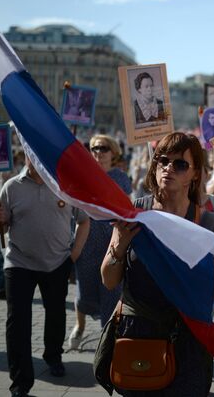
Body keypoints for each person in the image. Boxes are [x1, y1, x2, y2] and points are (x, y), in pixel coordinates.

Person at [100, 132, 214, 395]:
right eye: (162, 160)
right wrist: (120, 245)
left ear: (195, 174)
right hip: (138, 332)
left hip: (187, 337)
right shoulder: (134, 214)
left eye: (180, 164)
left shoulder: (208, 224)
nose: (168, 168)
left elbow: (211, 292)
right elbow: (109, 280)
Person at [0, 156, 90, 397]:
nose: (36, 156)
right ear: (25, 154)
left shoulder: (65, 185)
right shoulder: (11, 186)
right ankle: (20, 381)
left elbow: (84, 221)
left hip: (57, 262)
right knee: (17, 323)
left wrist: (74, 253)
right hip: (19, 262)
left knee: (56, 313)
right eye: (30, 151)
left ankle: (53, 356)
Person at [68, 135, 132, 350]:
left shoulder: (121, 177)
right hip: (87, 238)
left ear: (113, 152)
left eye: (103, 148)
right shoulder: (84, 175)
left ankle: (109, 335)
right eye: (94, 148)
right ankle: (79, 325)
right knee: (84, 288)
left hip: (111, 238)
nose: (99, 152)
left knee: (111, 290)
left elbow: (127, 208)